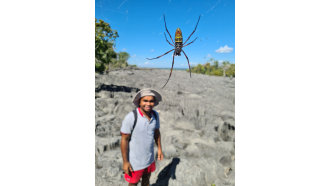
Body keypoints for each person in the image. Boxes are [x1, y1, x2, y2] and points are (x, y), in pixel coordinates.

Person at [120, 88, 164, 186]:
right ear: (139, 102)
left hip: (149, 158)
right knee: (133, 183)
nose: (148, 104)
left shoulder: (155, 115)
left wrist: (160, 149)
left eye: (151, 101)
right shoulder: (131, 117)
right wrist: (125, 162)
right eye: (145, 101)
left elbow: (156, 133)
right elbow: (124, 139)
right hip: (135, 161)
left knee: (146, 179)